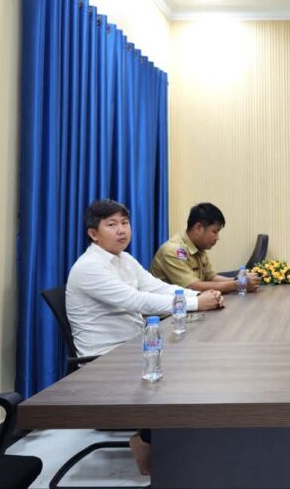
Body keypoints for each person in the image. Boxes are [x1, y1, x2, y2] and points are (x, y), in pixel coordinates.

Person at [66, 199, 223, 475]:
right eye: (111, 225)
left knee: (197, 360)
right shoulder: (90, 267)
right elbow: (137, 300)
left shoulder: (124, 259)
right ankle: (147, 440)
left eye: (125, 223)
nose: (121, 230)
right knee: (186, 372)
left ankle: (179, 441)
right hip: (105, 361)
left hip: (132, 348)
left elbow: (156, 287)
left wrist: (199, 295)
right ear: (93, 233)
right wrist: (196, 303)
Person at [150, 202, 260, 294]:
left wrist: (241, 279)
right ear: (199, 228)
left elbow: (211, 277)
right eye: (215, 232)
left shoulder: (199, 247)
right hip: (167, 312)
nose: (217, 238)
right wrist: (238, 284)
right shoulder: (173, 250)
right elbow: (192, 287)